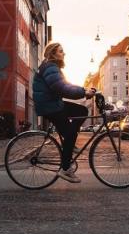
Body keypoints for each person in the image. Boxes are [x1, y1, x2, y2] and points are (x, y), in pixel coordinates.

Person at [33, 42, 96, 183]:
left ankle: (69, 141)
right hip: (50, 106)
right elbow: (61, 88)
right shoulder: (50, 67)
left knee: (82, 110)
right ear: (53, 54)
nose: (64, 53)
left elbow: (66, 84)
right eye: (61, 51)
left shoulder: (52, 67)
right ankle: (65, 169)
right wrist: (83, 93)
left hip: (53, 103)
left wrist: (83, 89)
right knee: (71, 132)